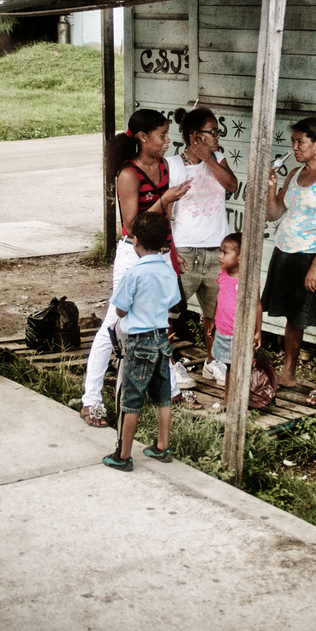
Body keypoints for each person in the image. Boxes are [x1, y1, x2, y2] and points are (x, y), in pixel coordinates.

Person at [80, 108, 196, 427]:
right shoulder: (128, 175)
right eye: (161, 135)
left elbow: (165, 221)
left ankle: (169, 387)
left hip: (158, 254)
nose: (166, 141)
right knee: (113, 327)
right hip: (133, 255)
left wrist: (172, 252)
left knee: (159, 323)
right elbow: (133, 227)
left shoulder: (162, 167)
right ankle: (91, 400)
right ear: (143, 137)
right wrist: (164, 200)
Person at [263, 117, 316, 406]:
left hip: (315, 255)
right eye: (293, 142)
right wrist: (271, 187)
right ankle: (289, 373)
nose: (295, 147)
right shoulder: (295, 174)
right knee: (292, 314)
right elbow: (274, 213)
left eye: (301, 142)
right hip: (287, 252)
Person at [102, 212, 182, 472]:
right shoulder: (168, 270)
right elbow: (173, 302)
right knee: (163, 396)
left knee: (131, 399)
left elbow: (121, 310)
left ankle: (123, 455)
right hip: (162, 339)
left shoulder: (133, 273)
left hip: (140, 342)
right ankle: (162, 446)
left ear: (135, 242)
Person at [166, 106, 237, 387]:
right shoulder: (173, 165)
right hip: (185, 251)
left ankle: (212, 361)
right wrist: (170, 251)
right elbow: (167, 212)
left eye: (217, 131)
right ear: (195, 136)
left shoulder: (219, 158)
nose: (218, 135)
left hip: (217, 249)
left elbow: (231, 185)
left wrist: (209, 159)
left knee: (215, 312)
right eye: (213, 131)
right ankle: (170, 364)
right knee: (171, 311)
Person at [210, 233, 262, 413]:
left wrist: (258, 331)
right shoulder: (223, 274)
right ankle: (227, 399)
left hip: (241, 332)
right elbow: (220, 297)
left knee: (243, 367)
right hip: (223, 330)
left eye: (225, 253)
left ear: (240, 258)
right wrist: (213, 321)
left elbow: (257, 304)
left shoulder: (248, 279)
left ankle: (245, 400)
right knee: (229, 368)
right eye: (220, 252)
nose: (220, 256)